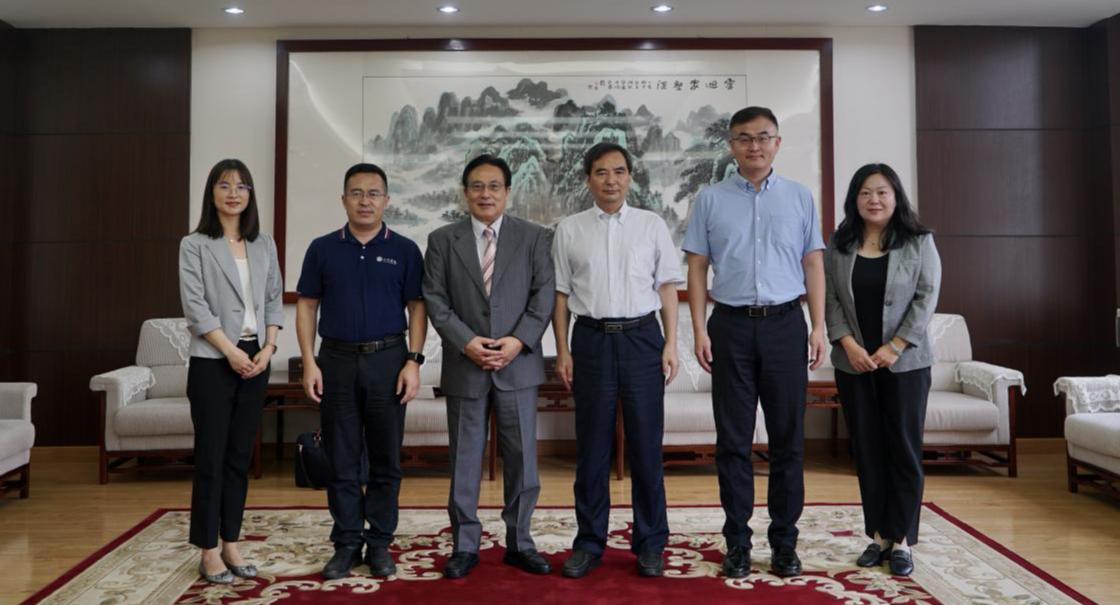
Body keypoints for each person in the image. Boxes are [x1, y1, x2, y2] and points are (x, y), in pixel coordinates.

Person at [682, 106, 826, 579]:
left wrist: (818, 326)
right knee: (733, 442)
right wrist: (699, 329)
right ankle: (738, 544)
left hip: (786, 325)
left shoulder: (799, 197)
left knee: (788, 442)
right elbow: (697, 267)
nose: (754, 146)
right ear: (732, 146)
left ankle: (784, 544)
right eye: (744, 138)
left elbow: (813, 264)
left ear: (777, 143)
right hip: (731, 327)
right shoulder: (710, 199)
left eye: (764, 137)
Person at [552, 142, 682, 579]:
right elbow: (561, 295)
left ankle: (650, 543)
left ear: (630, 177)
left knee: (646, 445)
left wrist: (670, 344)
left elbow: (667, 287)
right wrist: (563, 349)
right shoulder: (570, 229)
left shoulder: (651, 224)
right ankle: (589, 543)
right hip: (590, 341)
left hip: (643, 339)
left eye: (619, 171)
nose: (611, 180)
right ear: (588, 179)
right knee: (592, 448)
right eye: (602, 172)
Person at [423, 155, 555, 579]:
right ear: (465, 193)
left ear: (507, 192)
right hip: (466, 365)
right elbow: (435, 299)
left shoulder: (534, 237)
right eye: (477, 186)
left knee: (523, 460)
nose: (485, 194)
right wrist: (467, 342)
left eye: (494, 186)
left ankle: (520, 543)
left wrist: (517, 342)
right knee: (464, 460)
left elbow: (543, 296)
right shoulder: (442, 240)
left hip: (518, 364)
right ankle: (465, 546)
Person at [295, 163, 427, 580]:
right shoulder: (322, 248)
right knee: (342, 457)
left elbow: (417, 308)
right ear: (344, 200)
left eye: (373, 193)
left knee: (386, 458)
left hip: (389, 359)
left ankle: (380, 542)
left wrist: (414, 361)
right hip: (336, 360)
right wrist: (310, 361)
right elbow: (307, 306)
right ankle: (348, 542)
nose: (365, 201)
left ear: (387, 200)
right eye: (356, 193)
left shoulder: (405, 249)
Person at [825, 163, 941, 577]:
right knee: (868, 450)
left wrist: (896, 346)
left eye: (882, 192)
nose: (874, 200)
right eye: (865, 193)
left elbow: (926, 297)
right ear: (854, 199)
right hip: (854, 363)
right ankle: (878, 536)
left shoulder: (918, 241)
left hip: (905, 364)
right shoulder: (840, 243)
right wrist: (849, 345)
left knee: (903, 450)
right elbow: (831, 299)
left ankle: (903, 540)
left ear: (896, 197)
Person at [179, 159, 284, 584]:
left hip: (256, 359)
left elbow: (273, 299)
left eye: (242, 186)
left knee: (240, 456)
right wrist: (230, 351)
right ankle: (207, 550)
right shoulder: (195, 244)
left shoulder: (264, 244)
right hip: (213, 361)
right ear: (212, 193)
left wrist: (269, 348)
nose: (234, 193)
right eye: (224, 185)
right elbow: (195, 307)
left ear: (250, 195)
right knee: (212, 456)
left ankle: (231, 543)